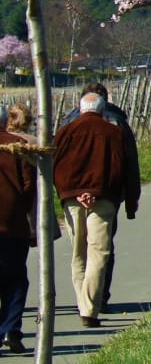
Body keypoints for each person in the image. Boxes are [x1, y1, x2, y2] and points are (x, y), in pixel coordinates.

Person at [53, 91, 139, 328]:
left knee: (78, 253)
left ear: (80, 109)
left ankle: (83, 303)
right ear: (102, 110)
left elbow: (56, 167)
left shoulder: (64, 132)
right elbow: (124, 168)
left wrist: (73, 192)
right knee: (99, 252)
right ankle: (89, 308)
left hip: (72, 199)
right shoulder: (114, 133)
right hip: (103, 198)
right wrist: (129, 201)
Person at [0, 104, 37, 355]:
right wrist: (18, 209)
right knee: (15, 280)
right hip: (12, 225)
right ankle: (10, 330)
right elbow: (28, 187)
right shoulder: (17, 146)